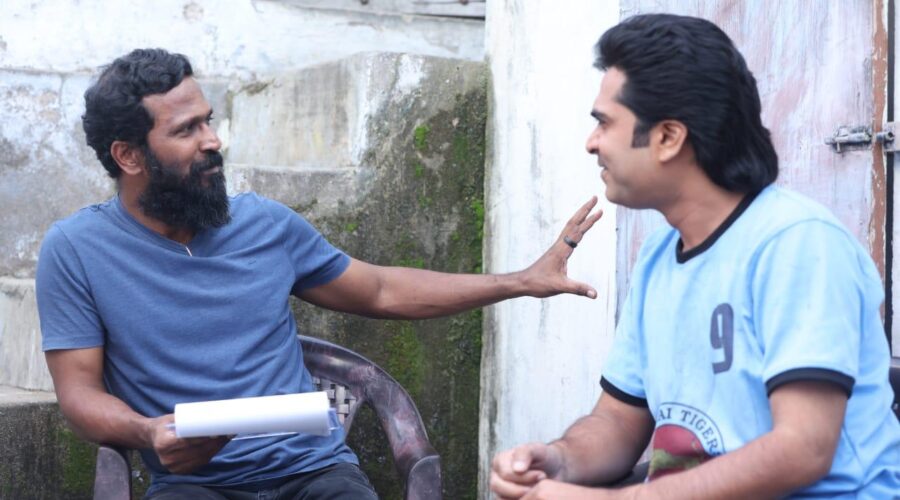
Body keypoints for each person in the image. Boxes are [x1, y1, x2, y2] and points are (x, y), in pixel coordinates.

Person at [35, 48, 602, 499]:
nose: (212, 141)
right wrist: (147, 432)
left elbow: (381, 289)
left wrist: (520, 281)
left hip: (315, 472)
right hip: (193, 484)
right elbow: (79, 395)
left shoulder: (263, 224)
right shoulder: (76, 250)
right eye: (187, 130)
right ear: (129, 156)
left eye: (208, 120)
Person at [490, 13, 900, 499]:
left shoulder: (798, 244)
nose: (591, 142)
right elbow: (617, 420)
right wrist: (558, 459)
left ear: (668, 137)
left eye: (604, 122)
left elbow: (803, 448)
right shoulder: (659, 257)